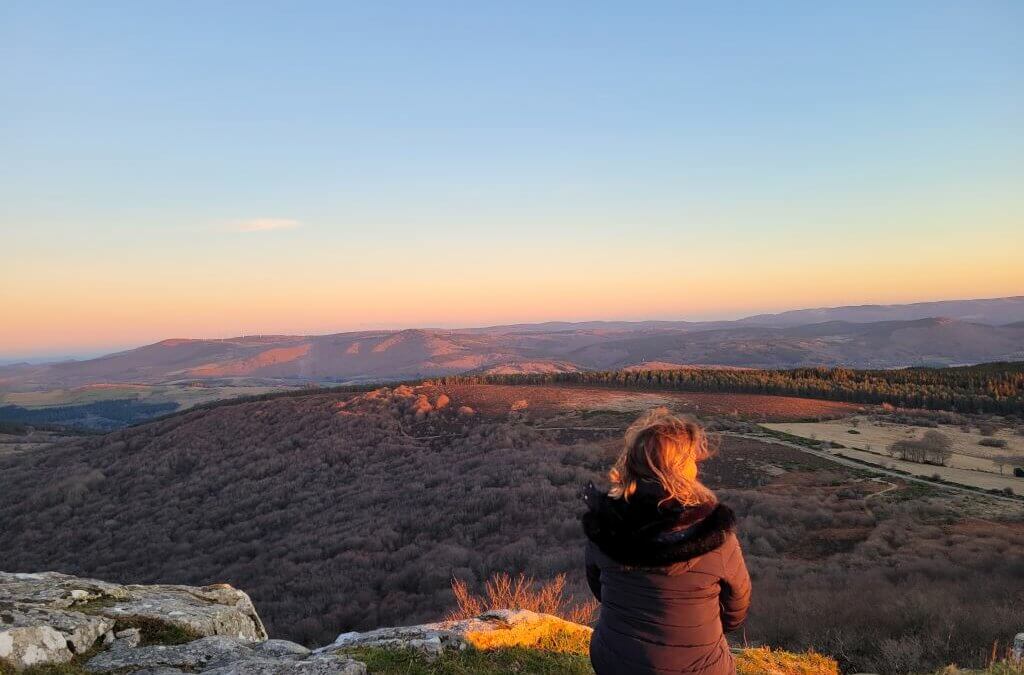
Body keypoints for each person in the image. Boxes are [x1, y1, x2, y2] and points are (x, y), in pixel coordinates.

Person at [581, 408, 751, 675]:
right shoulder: (715, 534)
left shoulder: (606, 525)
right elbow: (737, 605)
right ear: (682, 470)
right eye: (693, 459)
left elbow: (600, 589)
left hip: (615, 662)